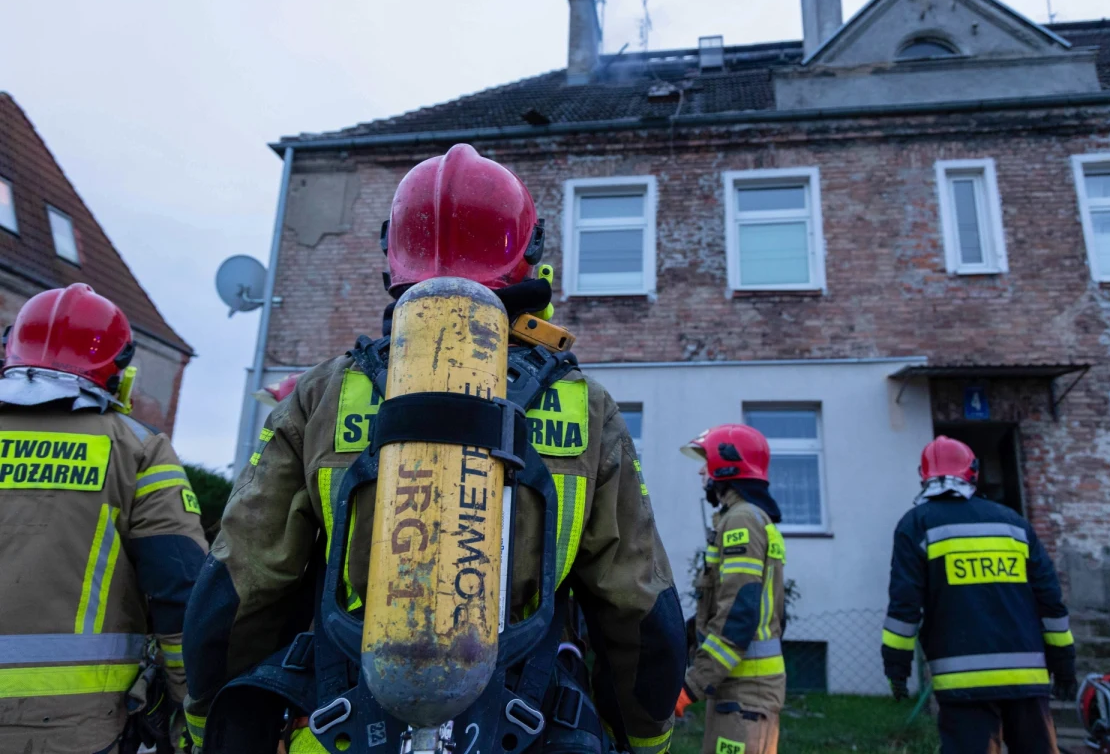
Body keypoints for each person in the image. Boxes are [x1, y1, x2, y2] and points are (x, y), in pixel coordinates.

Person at [182, 143, 686, 754]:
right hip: (527, 731)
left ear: (394, 259)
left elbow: (240, 586)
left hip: (341, 731)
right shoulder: (585, 406)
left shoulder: (325, 392)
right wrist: (646, 737)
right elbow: (640, 609)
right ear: (530, 257)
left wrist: (211, 721)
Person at [0, 283, 208, 754]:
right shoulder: (139, 449)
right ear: (120, 373)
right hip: (72, 728)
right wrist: (193, 715)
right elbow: (179, 592)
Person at [881, 436, 1077, 754]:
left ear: (924, 475)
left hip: (962, 683)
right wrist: (1064, 664)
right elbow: (1051, 602)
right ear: (972, 472)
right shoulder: (1014, 524)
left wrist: (896, 667)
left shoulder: (916, 526)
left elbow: (905, 608)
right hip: (1027, 678)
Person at [675, 424, 786, 754]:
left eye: (705, 462)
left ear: (727, 466)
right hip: (738, 685)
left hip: (745, 690)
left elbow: (739, 612)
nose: (700, 471)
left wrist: (691, 686)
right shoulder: (746, 517)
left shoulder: (742, 520)